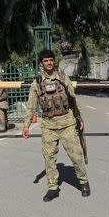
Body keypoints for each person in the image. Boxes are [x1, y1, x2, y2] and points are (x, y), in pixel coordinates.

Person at [22, 50, 90, 202]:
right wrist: (26, 126)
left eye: (51, 60)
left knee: (75, 155)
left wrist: (80, 118)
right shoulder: (37, 83)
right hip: (48, 125)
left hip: (66, 123)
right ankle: (53, 187)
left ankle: (84, 182)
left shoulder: (63, 78)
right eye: (46, 61)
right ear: (41, 63)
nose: (49, 63)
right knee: (49, 158)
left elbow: (73, 99)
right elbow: (31, 105)